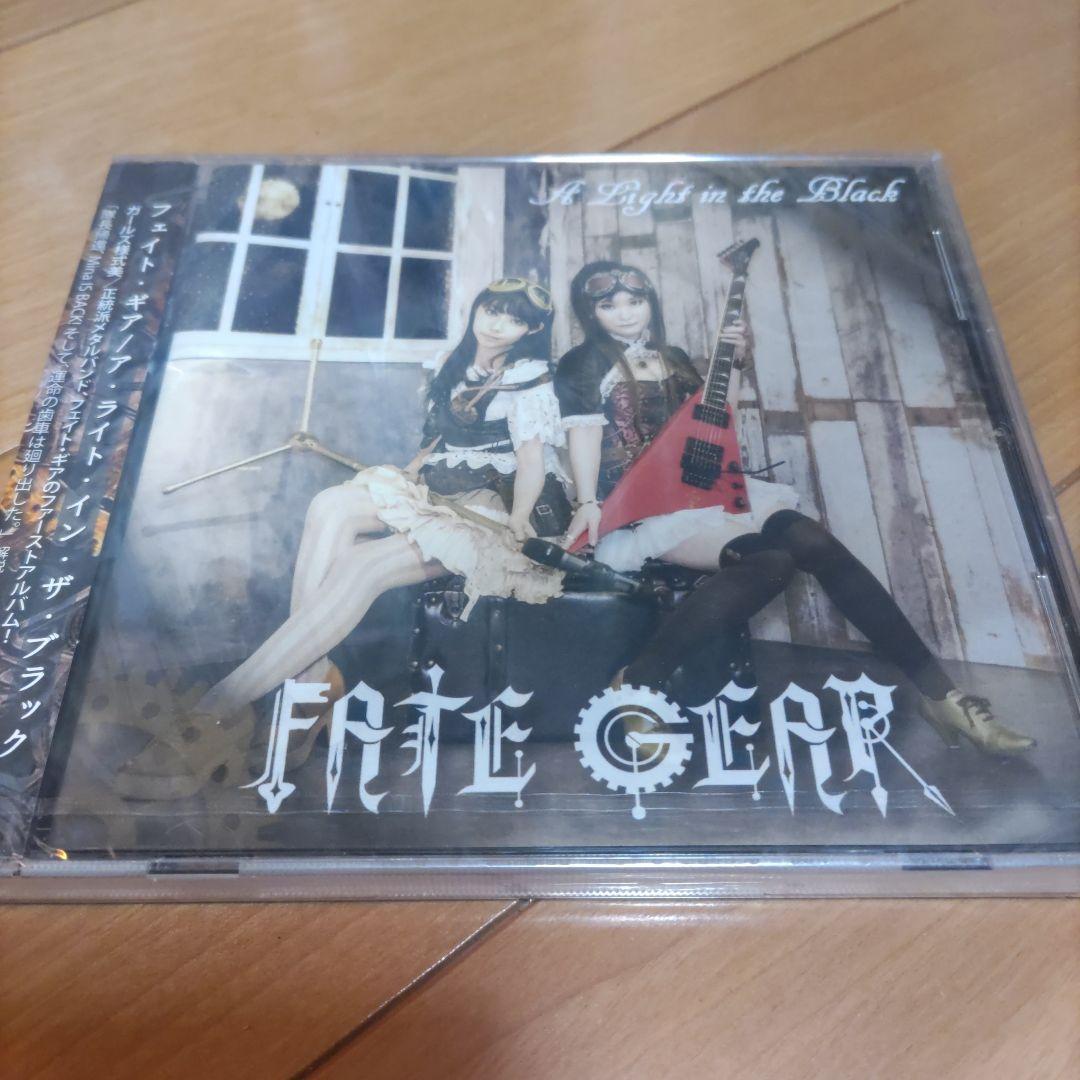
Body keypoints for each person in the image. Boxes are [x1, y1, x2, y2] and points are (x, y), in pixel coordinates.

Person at [555, 260, 1034, 755]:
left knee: (815, 542)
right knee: (771, 562)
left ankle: (944, 698)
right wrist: (588, 501)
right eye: (609, 306)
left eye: (635, 301)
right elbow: (583, 436)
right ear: (591, 314)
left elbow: (716, 421)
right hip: (645, 506)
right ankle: (638, 681)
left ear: (650, 302)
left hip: (703, 484)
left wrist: (732, 362)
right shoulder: (582, 364)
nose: (626, 314)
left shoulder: (671, 356)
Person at [199, 277, 567, 718]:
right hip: (442, 490)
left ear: (531, 330)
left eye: (513, 321)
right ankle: (311, 677)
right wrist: (409, 475)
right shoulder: (453, 363)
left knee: (362, 565)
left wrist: (520, 516)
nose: (495, 325)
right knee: (330, 505)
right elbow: (438, 439)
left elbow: (531, 461)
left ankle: (217, 706)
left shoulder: (528, 378)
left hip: (498, 504)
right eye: (491, 311)